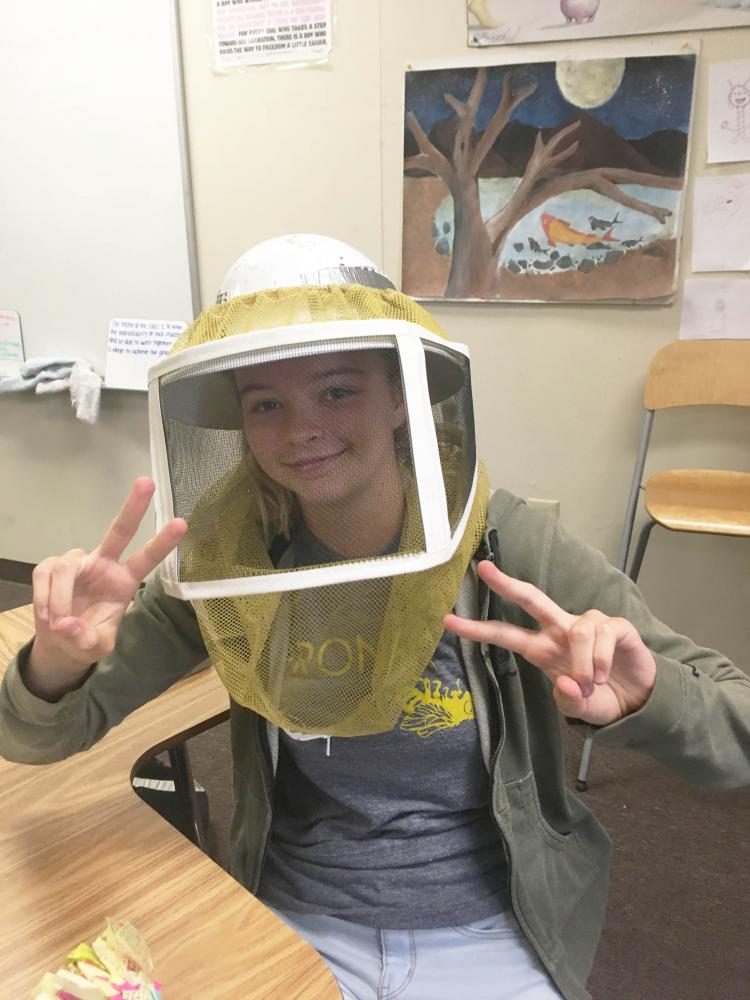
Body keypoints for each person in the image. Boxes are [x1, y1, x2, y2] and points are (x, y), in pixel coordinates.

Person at [1, 235, 748, 1000]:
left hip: (489, 928)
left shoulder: (505, 541)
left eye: (336, 391)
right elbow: (34, 740)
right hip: (295, 918)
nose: (301, 431)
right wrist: (57, 662)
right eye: (266, 403)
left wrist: (649, 696)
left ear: (401, 396)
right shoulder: (233, 558)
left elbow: (736, 737)